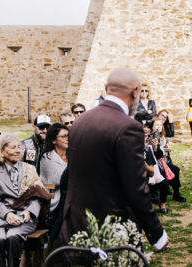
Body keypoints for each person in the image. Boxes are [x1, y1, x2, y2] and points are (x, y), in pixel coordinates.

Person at [60, 68, 168, 253]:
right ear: (135, 92)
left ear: (106, 88)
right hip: (112, 227)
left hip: (77, 223)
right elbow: (135, 186)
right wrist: (157, 234)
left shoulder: (80, 122)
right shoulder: (128, 127)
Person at [0, 134, 48, 267]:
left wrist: (29, 211)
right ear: (2, 152)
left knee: (12, 236)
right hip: (1, 217)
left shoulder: (29, 169)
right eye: (13, 147)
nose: (18, 150)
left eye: (19, 147)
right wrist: (7, 214)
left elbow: (37, 196)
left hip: (24, 217)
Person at [39, 123, 68, 240]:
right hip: (55, 202)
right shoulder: (47, 158)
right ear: (54, 141)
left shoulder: (73, 155)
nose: (68, 138)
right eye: (64, 136)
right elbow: (57, 180)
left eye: (69, 135)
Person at [152, 118, 186, 202]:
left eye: (160, 124)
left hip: (162, 162)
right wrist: (163, 150)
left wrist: (166, 150)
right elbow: (155, 153)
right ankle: (154, 194)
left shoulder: (161, 137)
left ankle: (176, 193)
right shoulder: (152, 136)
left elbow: (163, 153)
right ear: (152, 127)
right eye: (157, 124)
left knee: (175, 169)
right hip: (154, 164)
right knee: (169, 170)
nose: (159, 126)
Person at [143, 123, 169, 213]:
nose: (146, 129)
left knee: (164, 183)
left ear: (150, 130)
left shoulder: (153, 139)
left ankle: (162, 204)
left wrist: (155, 147)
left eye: (147, 128)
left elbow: (159, 156)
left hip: (155, 167)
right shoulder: (137, 141)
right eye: (143, 128)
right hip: (145, 169)